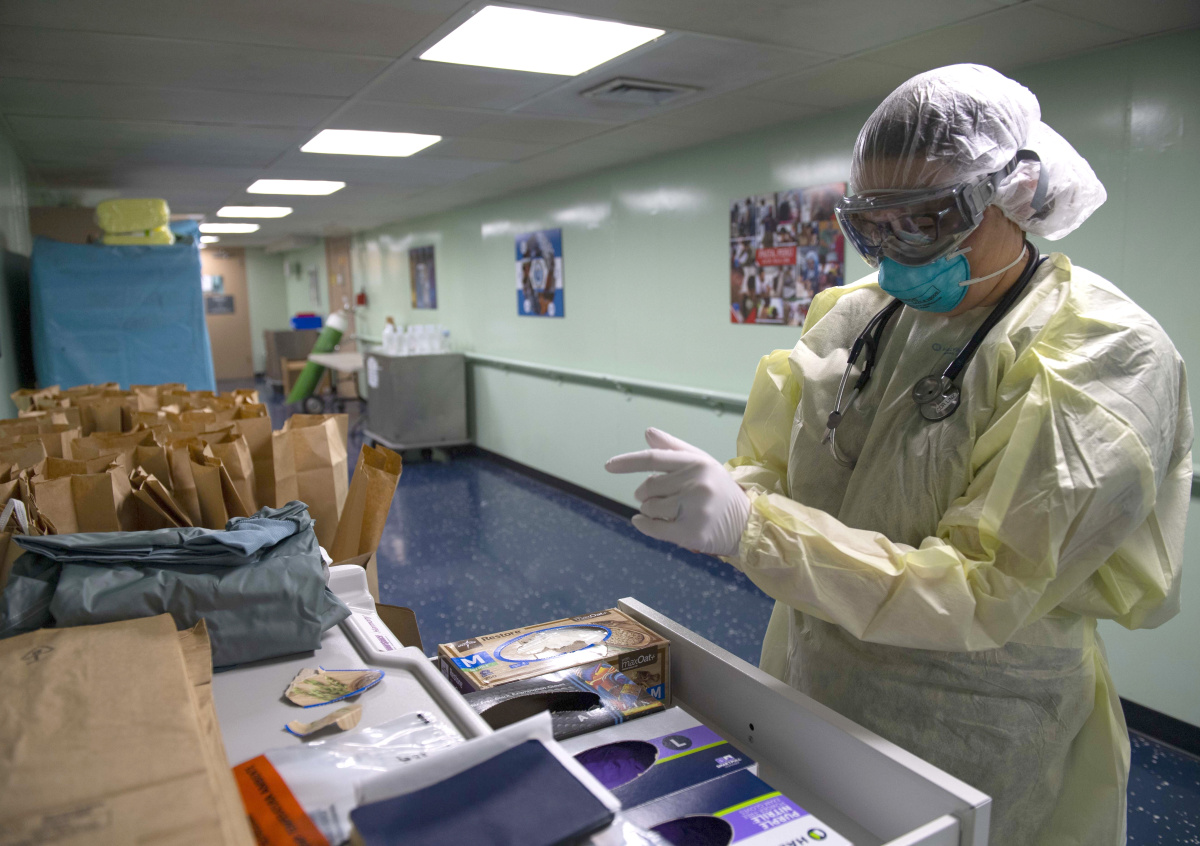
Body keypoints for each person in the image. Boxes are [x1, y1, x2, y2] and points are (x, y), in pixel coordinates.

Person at [606, 64, 1191, 845]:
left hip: (973, 712)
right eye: (872, 225)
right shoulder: (859, 314)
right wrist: (728, 494)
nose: (892, 249)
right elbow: (775, 467)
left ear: (1013, 195)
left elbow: (984, 588)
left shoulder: (1102, 351)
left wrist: (754, 529)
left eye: (923, 220)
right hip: (814, 668)